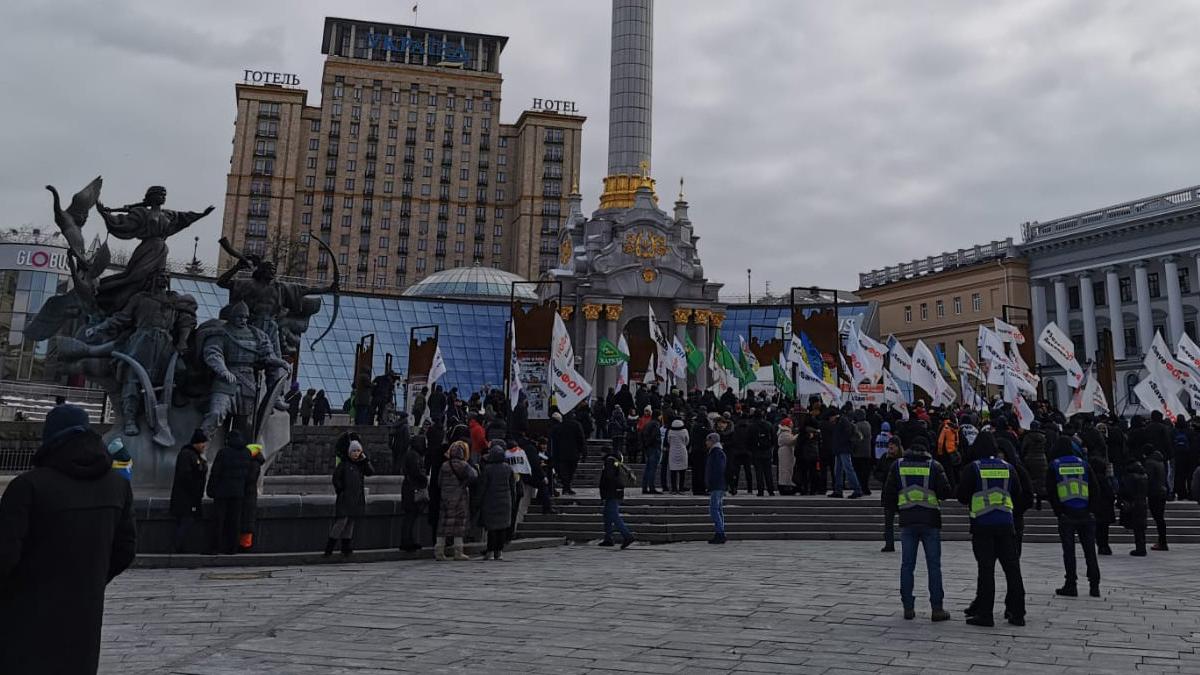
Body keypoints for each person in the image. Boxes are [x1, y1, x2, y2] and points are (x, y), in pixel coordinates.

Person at [0, 404, 136, 675]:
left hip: (25, 616)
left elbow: (4, 554)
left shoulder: (28, 486)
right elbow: (126, 549)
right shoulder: (117, 486)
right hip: (84, 614)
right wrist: (92, 579)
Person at [957, 432, 1026, 627]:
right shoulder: (1008, 468)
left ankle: (985, 613)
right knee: (1012, 570)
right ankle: (1018, 612)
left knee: (986, 570)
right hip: (1006, 523)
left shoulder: (974, 468)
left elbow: (962, 495)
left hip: (982, 525)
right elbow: (1017, 493)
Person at [882, 432, 952, 621]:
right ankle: (937, 608)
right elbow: (946, 491)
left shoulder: (898, 466)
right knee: (934, 566)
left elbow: (888, 494)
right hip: (930, 520)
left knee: (907, 565)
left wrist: (899, 509)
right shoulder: (934, 466)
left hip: (907, 520)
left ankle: (908, 607)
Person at [1046, 438, 1101, 598]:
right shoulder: (1083, 464)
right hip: (1085, 513)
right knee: (1090, 550)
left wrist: (1059, 512)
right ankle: (1094, 585)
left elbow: (1052, 492)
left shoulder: (1055, 465)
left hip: (1066, 514)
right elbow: (1095, 488)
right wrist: (1091, 510)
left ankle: (1071, 584)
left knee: (1069, 551)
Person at [326, 440, 375, 557]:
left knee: (350, 523)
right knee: (341, 522)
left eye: (358, 451)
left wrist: (365, 460)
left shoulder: (361, 465)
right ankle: (330, 547)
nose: (356, 453)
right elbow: (336, 479)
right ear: (349, 452)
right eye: (354, 451)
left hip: (356, 498)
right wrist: (341, 490)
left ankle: (346, 546)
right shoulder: (344, 465)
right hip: (345, 498)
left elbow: (370, 472)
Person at [207, 430, 251, 555]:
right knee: (235, 521)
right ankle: (232, 548)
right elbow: (248, 475)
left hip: (222, 492)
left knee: (218, 520)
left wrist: (210, 490)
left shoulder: (223, 452)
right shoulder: (247, 453)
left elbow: (215, 473)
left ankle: (215, 548)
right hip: (238, 492)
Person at [435, 441, 477, 561]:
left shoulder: (444, 465)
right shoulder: (464, 465)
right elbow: (474, 476)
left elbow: (439, 482)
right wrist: (464, 484)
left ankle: (439, 551)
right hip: (459, 498)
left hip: (445, 498)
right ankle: (458, 552)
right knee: (458, 526)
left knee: (443, 525)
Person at [170, 428, 209, 553]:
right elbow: (186, 476)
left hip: (189, 497)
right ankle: (178, 546)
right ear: (196, 443)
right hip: (186, 498)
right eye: (202, 443)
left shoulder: (194, 455)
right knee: (186, 521)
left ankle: (180, 546)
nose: (204, 446)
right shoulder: (187, 455)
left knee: (186, 521)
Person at [477, 441, 517, 560]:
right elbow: (512, 487)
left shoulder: (488, 469)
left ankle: (490, 551)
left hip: (491, 501)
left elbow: (482, 487)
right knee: (502, 528)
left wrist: (478, 501)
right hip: (505, 502)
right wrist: (513, 500)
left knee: (492, 529)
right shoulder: (508, 468)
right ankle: (499, 552)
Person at [598, 448, 635, 549]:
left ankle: (627, 536)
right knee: (607, 514)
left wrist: (606, 492)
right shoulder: (614, 461)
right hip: (615, 492)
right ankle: (608, 538)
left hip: (612, 493)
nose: (600, 454)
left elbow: (609, 478)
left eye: (601, 452)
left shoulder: (609, 461)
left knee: (614, 515)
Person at [398, 431, 428, 552]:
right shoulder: (414, 456)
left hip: (409, 488)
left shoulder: (411, 454)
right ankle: (406, 541)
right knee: (410, 517)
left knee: (411, 517)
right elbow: (416, 471)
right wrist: (424, 477)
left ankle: (408, 540)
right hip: (412, 489)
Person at [875, 436, 904, 552]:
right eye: (889, 445)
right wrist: (885, 478)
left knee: (904, 522)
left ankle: (907, 543)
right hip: (888, 494)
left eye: (893, 445)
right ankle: (889, 544)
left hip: (901, 494)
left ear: (898, 447)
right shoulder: (884, 458)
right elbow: (877, 471)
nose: (891, 447)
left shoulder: (903, 460)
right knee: (888, 521)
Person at [1119, 450, 1150, 556]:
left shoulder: (1129, 476)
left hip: (1134, 503)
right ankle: (1142, 547)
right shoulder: (1144, 475)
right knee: (1141, 527)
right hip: (1142, 502)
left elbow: (1125, 491)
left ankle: (1140, 548)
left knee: (1137, 527)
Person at [829, 408, 863, 499]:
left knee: (848, 469)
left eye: (830, 418)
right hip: (840, 449)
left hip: (844, 449)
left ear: (833, 416)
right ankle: (838, 490)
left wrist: (840, 443)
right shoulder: (839, 422)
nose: (830, 420)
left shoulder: (843, 421)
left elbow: (846, 435)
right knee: (838, 470)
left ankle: (857, 489)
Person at [550, 410, 585, 495]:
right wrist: (583, 451)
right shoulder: (576, 425)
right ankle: (567, 487)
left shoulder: (558, 426)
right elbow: (581, 439)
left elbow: (554, 441)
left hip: (561, 453)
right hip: (574, 453)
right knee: (571, 471)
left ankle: (566, 487)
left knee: (564, 471)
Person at [1089, 454, 1116, 555]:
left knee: (1098, 528)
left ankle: (1101, 545)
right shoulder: (1103, 479)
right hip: (1105, 508)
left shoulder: (1092, 478)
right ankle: (1104, 546)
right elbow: (1110, 493)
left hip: (1096, 508)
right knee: (1104, 529)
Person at [1144, 445, 1170, 551]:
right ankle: (1162, 541)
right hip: (1162, 491)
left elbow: (1148, 479)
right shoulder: (1160, 461)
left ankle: (1162, 542)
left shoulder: (1150, 463)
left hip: (1154, 493)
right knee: (1160, 518)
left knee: (1158, 517)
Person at [240, 443, 265, 551]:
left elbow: (249, 479)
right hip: (250, 494)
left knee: (247, 520)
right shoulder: (255, 463)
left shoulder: (253, 464)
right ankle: (245, 544)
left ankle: (245, 545)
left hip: (248, 495)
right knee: (247, 520)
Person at [1021, 421, 1049, 510]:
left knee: (1030, 479)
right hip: (1042, 459)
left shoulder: (1027, 437)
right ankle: (1039, 501)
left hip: (1030, 459)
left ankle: (1030, 499)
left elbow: (1023, 448)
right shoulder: (1044, 437)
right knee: (1040, 481)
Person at [705, 433, 728, 544]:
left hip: (717, 484)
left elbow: (718, 470)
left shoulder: (716, 453)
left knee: (714, 509)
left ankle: (720, 533)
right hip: (719, 484)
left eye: (708, 440)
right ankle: (721, 532)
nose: (706, 443)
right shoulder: (716, 452)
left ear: (713, 441)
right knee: (718, 509)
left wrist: (712, 482)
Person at [750, 409, 777, 497]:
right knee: (768, 472)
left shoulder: (752, 426)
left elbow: (748, 440)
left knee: (759, 473)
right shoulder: (769, 425)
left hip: (756, 452)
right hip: (767, 452)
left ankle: (760, 491)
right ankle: (771, 490)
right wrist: (770, 446)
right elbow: (774, 439)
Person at [640, 410, 663, 494]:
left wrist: (645, 446)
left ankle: (645, 487)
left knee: (648, 468)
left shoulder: (648, 424)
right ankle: (651, 487)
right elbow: (654, 436)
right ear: (658, 416)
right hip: (654, 448)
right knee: (652, 469)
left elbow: (642, 434)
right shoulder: (656, 424)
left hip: (648, 449)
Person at [666, 418, 690, 494]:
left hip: (672, 452)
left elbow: (668, 441)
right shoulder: (685, 431)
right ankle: (681, 488)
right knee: (682, 471)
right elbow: (687, 441)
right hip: (683, 451)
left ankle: (674, 489)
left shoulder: (670, 431)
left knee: (673, 471)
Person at [777, 418, 798, 495]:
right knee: (785, 469)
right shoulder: (785, 433)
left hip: (786, 452)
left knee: (787, 469)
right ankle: (785, 486)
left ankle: (787, 484)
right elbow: (791, 441)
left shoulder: (783, 432)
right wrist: (797, 436)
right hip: (785, 453)